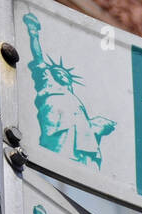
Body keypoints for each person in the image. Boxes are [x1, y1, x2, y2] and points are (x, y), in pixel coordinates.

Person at [24, 12, 116, 168]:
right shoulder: (48, 83)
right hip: (57, 127)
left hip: (80, 141)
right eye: (58, 73)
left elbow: (89, 128)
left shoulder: (75, 100)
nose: (62, 74)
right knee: (55, 160)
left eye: (66, 74)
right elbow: (39, 59)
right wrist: (34, 34)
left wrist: (99, 125)